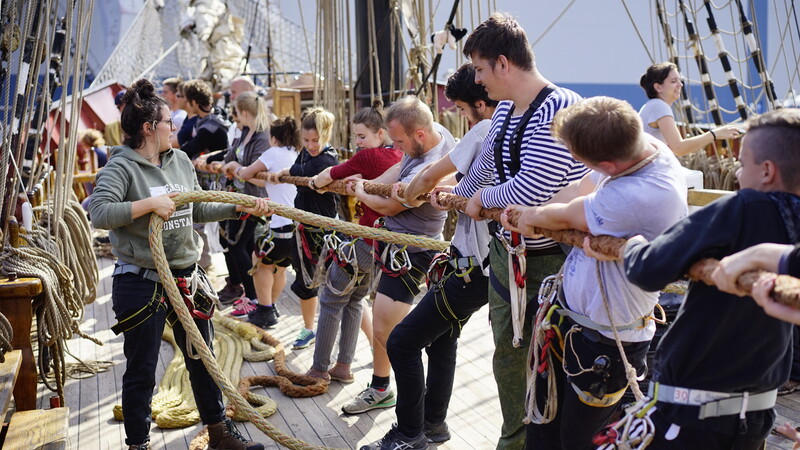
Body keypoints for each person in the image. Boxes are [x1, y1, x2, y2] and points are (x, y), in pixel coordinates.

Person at [89, 78, 268, 450]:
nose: (176, 128)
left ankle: (219, 433)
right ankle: (138, 444)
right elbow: (100, 213)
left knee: (202, 359)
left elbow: (197, 206)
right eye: (170, 122)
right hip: (142, 282)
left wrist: (239, 205)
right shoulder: (121, 168)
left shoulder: (180, 160)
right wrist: (148, 205)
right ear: (149, 128)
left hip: (187, 275)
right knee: (141, 370)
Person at [498, 97, 688, 449]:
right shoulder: (640, 147)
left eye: (575, 155)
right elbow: (579, 192)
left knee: (579, 442)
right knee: (542, 427)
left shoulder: (641, 193)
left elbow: (565, 215)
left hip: (608, 342)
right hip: (570, 322)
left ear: (609, 164)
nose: (571, 160)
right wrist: (534, 210)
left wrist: (534, 215)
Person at [622, 108, 800, 449]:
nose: (736, 174)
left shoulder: (743, 208)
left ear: (766, 171)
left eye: (743, 163)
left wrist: (632, 245)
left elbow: (648, 269)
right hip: (755, 417)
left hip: (692, 419)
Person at [456, 13, 588, 449]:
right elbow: (486, 165)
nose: (477, 81)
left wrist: (482, 201)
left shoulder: (558, 107)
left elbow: (535, 187)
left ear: (503, 63)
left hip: (554, 264)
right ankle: (514, 441)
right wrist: (460, 195)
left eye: (479, 69)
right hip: (508, 256)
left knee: (554, 359)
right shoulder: (506, 112)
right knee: (508, 356)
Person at [360, 63, 498, 450]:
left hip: (474, 267)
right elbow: (464, 184)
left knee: (402, 342)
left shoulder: (486, 129)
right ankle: (434, 426)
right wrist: (427, 186)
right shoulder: (500, 132)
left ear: (478, 101)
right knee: (443, 339)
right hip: (474, 261)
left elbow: (430, 185)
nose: (460, 115)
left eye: (461, 107)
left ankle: (409, 435)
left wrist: (415, 189)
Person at [340, 96, 455, 415]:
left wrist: (362, 191)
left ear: (419, 134)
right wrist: (372, 183)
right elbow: (398, 165)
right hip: (395, 246)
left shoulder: (432, 168)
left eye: (401, 141)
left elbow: (390, 205)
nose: (398, 148)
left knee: (391, 333)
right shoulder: (437, 132)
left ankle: (403, 405)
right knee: (383, 325)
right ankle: (381, 386)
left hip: (414, 251)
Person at [303, 103, 402, 384]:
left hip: (364, 240)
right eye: (355, 137)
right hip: (383, 244)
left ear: (380, 134)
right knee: (355, 300)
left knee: (331, 298)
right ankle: (343, 367)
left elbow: (326, 177)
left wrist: (313, 184)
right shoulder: (397, 154)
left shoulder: (367, 157)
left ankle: (319, 369)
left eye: (362, 136)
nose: (357, 143)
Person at [269, 107, 339, 349]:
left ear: (327, 134)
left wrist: (289, 171)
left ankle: (373, 340)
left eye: (315, 140)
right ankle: (309, 329)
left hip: (325, 231)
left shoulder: (328, 157)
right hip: (305, 228)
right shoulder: (305, 155)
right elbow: (301, 167)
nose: (310, 145)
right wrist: (290, 170)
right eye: (306, 140)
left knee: (339, 286)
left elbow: (305, 170)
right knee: (305, 282)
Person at [231, 116, 300, 328]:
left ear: (273, 137)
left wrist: (235, 167)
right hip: (296, 225)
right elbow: (263, 179)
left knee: (259, 261)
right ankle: (271, 305)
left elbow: (246, 172)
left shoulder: (272, 153)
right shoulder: (295, 154)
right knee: (279, 266)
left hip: (279, 224)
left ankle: (265, 309)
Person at [205, 91, 271, 312]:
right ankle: (247, 292)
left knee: (237, 245)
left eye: (237, 113)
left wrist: (237, 169)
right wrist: (229, 165)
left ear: (244, 112)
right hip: (237, 196)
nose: (235, 118)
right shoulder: (245, 132)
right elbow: (232, 156)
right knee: (234, 244)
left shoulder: (262, 137)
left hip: (253, 200)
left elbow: (259, 174)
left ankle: (252, 297)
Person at [639, 62, 742, 156]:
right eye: (674, 81)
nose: (680, 85)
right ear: (658, 87)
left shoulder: (652, 105)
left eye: (680, 80)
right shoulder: (659, 106)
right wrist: (715, 134)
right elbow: (679, 148)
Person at [161, 77, 187, 143]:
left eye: (165, 92)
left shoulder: (180, 117)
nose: (162, 95)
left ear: (176, 94)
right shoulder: (171, 113)